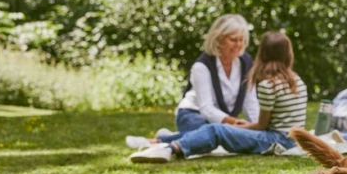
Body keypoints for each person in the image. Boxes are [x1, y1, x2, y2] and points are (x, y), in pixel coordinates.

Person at [131, 31, 307, 162]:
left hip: (277, 140)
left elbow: (262, 126)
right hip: (291, 139)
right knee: (217, 130)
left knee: (216, 130)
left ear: (263, 54)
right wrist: (242, 125)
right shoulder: (297, 80)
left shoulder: (269, 85)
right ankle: (160, 141)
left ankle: (170, 148)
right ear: (288, 54)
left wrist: (241, 127)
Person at [125, 14, 259, 149]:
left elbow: (250, 101)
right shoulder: (202, 67)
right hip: (193, 114)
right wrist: (234, 122)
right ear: (219, 39)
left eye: (241, 40)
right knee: (210, 139)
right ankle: (155, 142)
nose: (238, 45)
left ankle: (172, 137)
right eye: (233, 40)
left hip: (222, 121)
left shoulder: (246, 64)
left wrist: (258, 125)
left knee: (219, 139)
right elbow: (207, 109)